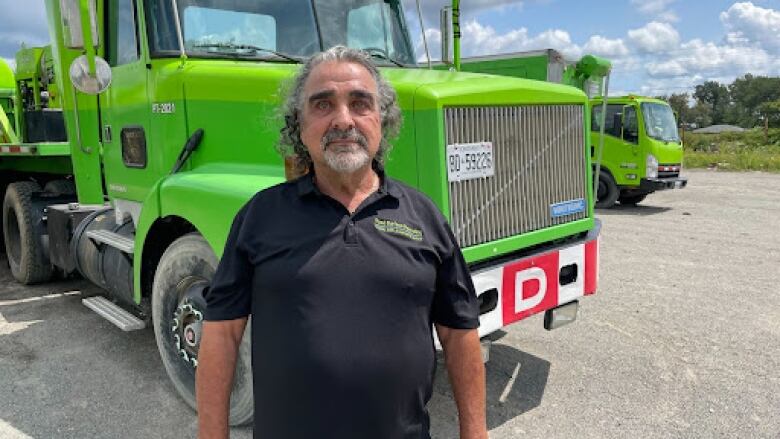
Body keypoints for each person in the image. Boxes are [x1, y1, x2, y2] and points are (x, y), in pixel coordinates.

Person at [196, 46, 487, 439]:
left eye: (360, 103)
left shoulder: (425, 216)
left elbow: (459, 333)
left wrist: (476, 433)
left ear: (382, 120)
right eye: (323, 105)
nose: (343, 119)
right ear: (299, 126)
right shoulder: (259, 218)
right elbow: (221, 335)